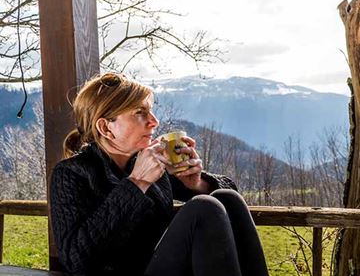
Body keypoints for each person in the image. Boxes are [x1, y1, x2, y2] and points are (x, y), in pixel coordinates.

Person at [50, 73, 269, 276]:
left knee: (226, 198)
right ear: (106, 128)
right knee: (204, 207)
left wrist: (197, 183)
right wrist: (136, 183)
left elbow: (231, 198)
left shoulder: (151, 162)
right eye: (140, 112)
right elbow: (76, 259)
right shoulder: (71, 174)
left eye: (151, 110)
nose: (154, 121)